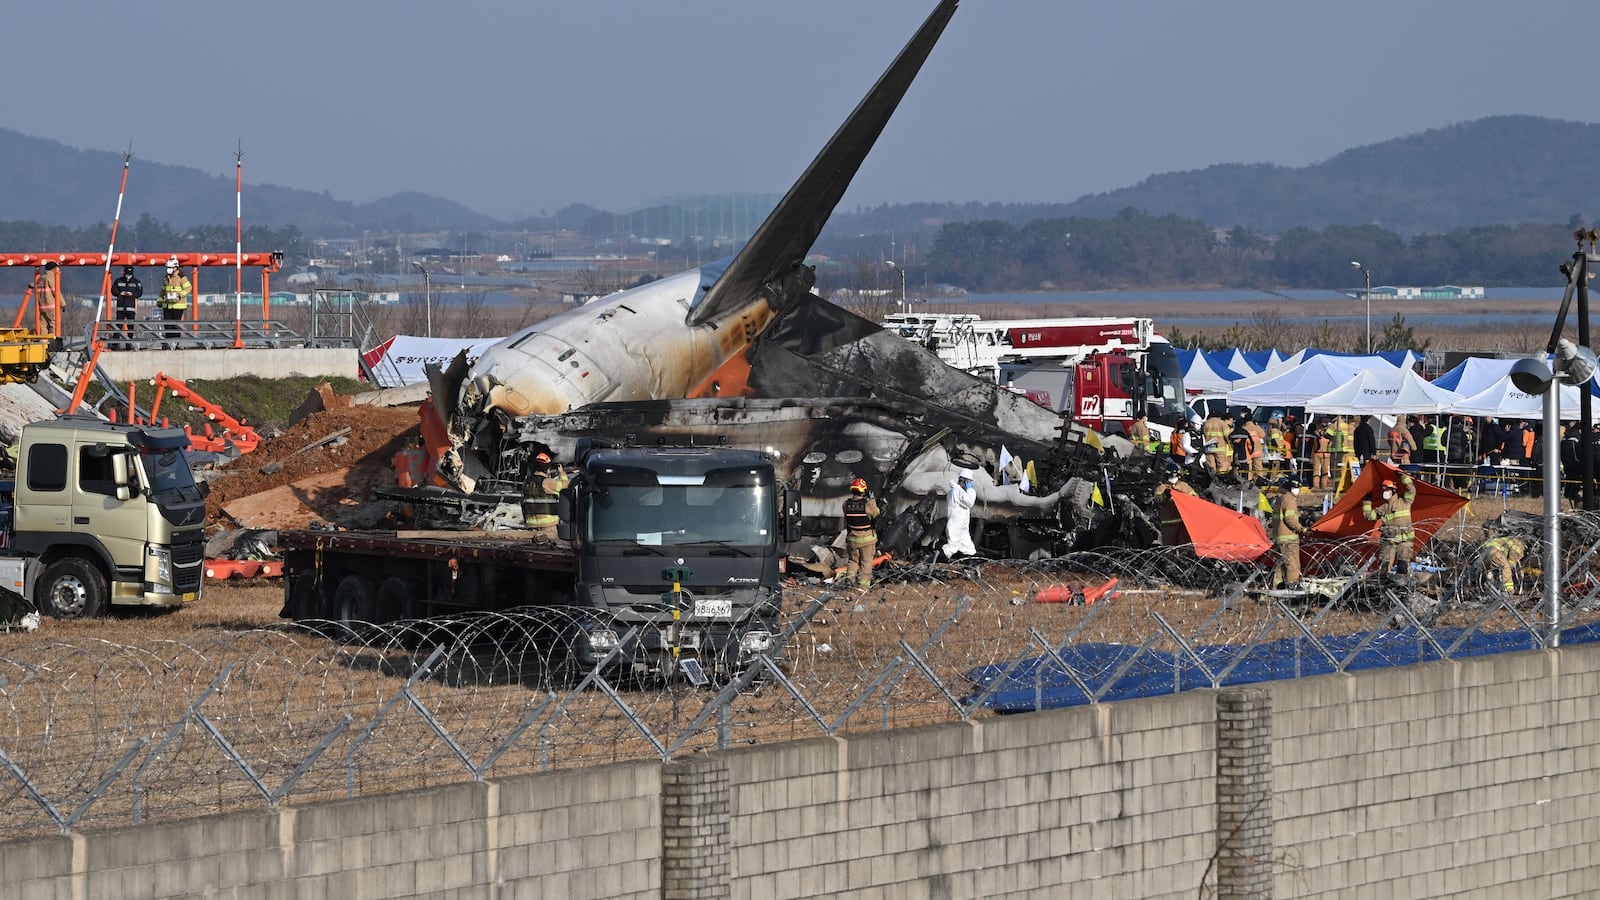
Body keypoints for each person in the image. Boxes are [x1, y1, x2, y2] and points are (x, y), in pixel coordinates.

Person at [1361, 473, 1417, 579]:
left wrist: (1403, 477)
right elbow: (1369, 516)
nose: (1385, 493)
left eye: (1387, 490)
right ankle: (1383, 587)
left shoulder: (1405, 501)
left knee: (1402, 567)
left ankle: (1401, 588)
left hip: (1404, 542)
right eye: (1384, 490)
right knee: (1383, 568)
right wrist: (1367, 502)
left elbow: (1411, 490)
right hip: (1388, 541)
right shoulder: (1383, 507)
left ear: (1394, 491)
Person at [1270, 476, 1310, 589]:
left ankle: (1276, 588)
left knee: (1280, 565)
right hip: (1289, 539)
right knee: (1292, 565)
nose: (1298, 490)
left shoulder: (1280, 499)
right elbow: (1290, 519)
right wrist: (1302, 529)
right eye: (1296, 488)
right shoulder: (1290, 500)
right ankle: (1292, 588)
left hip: (1279, 537)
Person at [840, 477, 881, 589]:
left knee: (853, 560)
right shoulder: (868, 504)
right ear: (864, 491)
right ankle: (863, 587)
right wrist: (872, 500)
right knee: (866, 563)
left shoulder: (846, 504)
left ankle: (849, 579)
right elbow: (876, 513)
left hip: (852, 538)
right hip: (867, 539)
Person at [520, 451, 568, 542]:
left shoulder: (526, 483)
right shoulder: (547, 482)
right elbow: (565, 486)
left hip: (531, 525)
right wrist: (562, 473)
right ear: (547, 468)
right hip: (548, 526)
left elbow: (523, 502)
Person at [1154, 464, 1198, 546]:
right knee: (1170, 548)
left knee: (1184, 548)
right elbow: (1158, 500)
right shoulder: (1161, 488)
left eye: (1176, 475)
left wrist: (1186, 496)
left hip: (1183, 523)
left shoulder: (1183, 486)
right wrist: (1165, 495)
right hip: (1168, 524)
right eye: (1171, 476)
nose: (1174, 478)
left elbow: (1195, 498)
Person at [941, 468, 978, 560]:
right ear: (965, 481)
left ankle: (972, 568)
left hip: (962, 526)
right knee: (951, 548)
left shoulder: (958, 491)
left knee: (969, 549)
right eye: (969, 482)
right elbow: (969, 502)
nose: (970, 484)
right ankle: (931, 562)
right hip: (956, 525)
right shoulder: (957, 491)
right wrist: (970, 490)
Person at [158, 257, 191, 344]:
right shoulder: (166, 278)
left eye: (170, 267)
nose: (168, 269)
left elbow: (188, 288)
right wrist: (160, 301)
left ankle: (176, 343)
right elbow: (163, 290)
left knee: (175, 326)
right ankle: (169, 343)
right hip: (167, 305)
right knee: (168, 326)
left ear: (175, 267)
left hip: (178, 306)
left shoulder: (181, 277)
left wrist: (180, 295)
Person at [112, 265, 143, 349]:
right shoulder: (118, 281)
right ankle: (115, 345)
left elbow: (139, 292)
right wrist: (120, 293)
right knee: (118, 326)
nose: (128, 275)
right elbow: (113, 290)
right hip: (120, 308)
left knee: (130, 327)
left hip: (130, 308)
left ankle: (128, 344)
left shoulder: (136, 282)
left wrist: (132, 294)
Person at [37, 261, 60, 336]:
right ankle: (54, 342)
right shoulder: (50, 278)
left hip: (42, 306)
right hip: (51, 305)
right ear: (53, 269)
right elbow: (56, 291)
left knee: (43, 325)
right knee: (54, 324)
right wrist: (63, 303)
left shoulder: (41, 278)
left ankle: (43, 342)